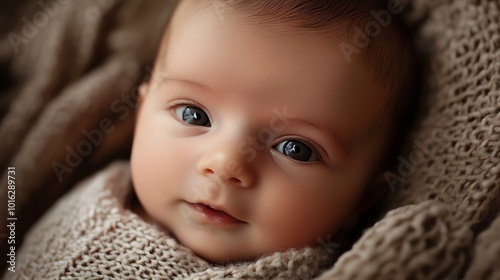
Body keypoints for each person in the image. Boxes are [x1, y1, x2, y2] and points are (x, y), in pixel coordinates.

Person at [8, 0, 417, 278]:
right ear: (142, 110)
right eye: (194, 115)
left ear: (361, 201)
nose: (225, 163)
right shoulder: (74, 182)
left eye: (295, 148)